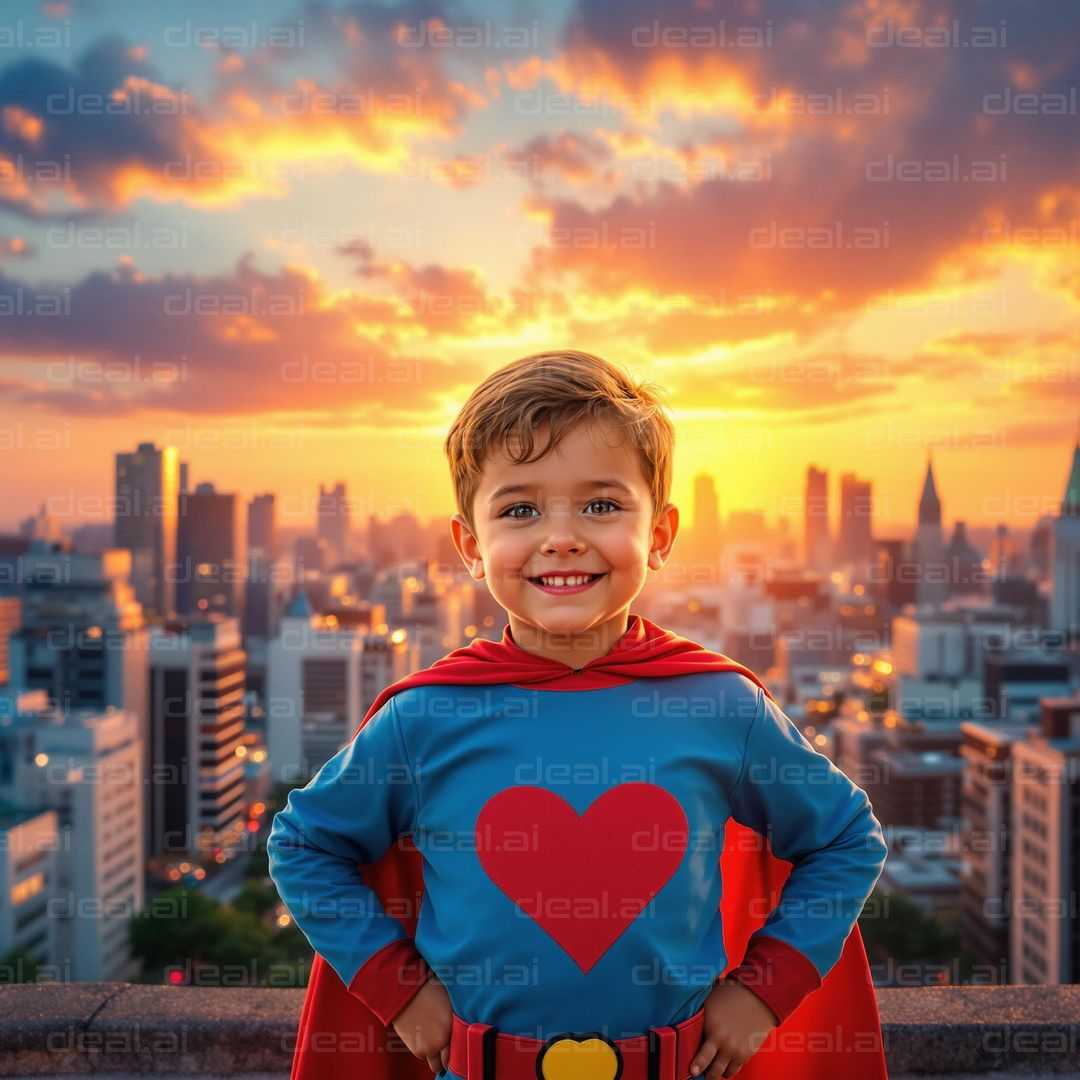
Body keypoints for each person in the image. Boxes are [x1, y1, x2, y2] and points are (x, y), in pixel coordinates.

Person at [267, 350, 890, 1080]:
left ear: (659, 535)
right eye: (520, 509)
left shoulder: (719, 706)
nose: (561, 535)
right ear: (470, 545)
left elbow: (845, 838)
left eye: (601, 504)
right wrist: (399, 993)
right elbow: (306, 847)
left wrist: (765, 992)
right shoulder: (427, 716)